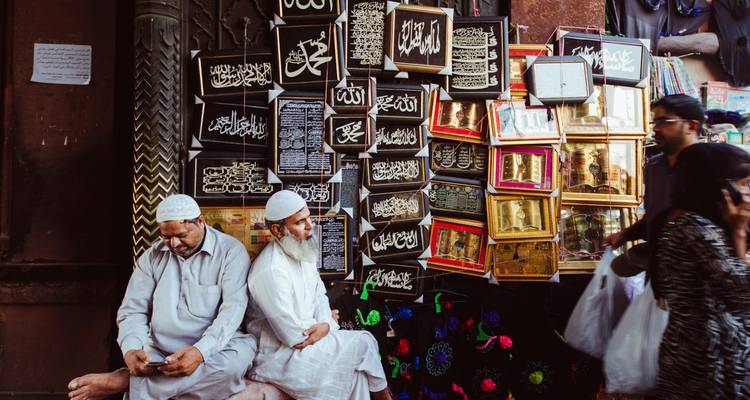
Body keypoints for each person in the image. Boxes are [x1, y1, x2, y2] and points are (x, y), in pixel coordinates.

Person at [67, 194, 255, 400]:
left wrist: (200, 352)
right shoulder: (151, 257)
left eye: (182, 235)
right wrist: (131, 349)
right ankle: (146, 380)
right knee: (169, 369)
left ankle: (125, 381)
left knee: (232, 366)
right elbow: (133, 310)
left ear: (201, 222)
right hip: (161, 351)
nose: (174, 243)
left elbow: (233, 310)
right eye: (166, 237)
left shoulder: (230, 251)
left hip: (217, 347)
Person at [244, 190, 392, 400]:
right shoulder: (270, 271)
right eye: (300, 222)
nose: (309, 226)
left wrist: (326, 324)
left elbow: (320, 297)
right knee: (363, 343)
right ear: (278, 230)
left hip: (312, 339)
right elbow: (293, 336)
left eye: (308, 218)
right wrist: (325, 325)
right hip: (279, 357)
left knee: (357, 373)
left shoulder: (301, 252)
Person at [650, 143, 750, 399]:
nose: (747, 193)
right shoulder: (696, 229)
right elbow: (742, 294)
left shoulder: (692, 222)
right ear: (722, 188)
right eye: (744, 184)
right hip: (709, 359)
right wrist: (738, 233)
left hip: (699, 352)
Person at [604, 94, 704, 276]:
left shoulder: (712, 166)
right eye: (654, 123)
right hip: (658, 277)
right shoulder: (654, 168)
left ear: (692, 126)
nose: (656, 129)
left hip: (697, 279)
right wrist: (625, 234)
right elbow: (654, 218)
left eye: (664, 122)